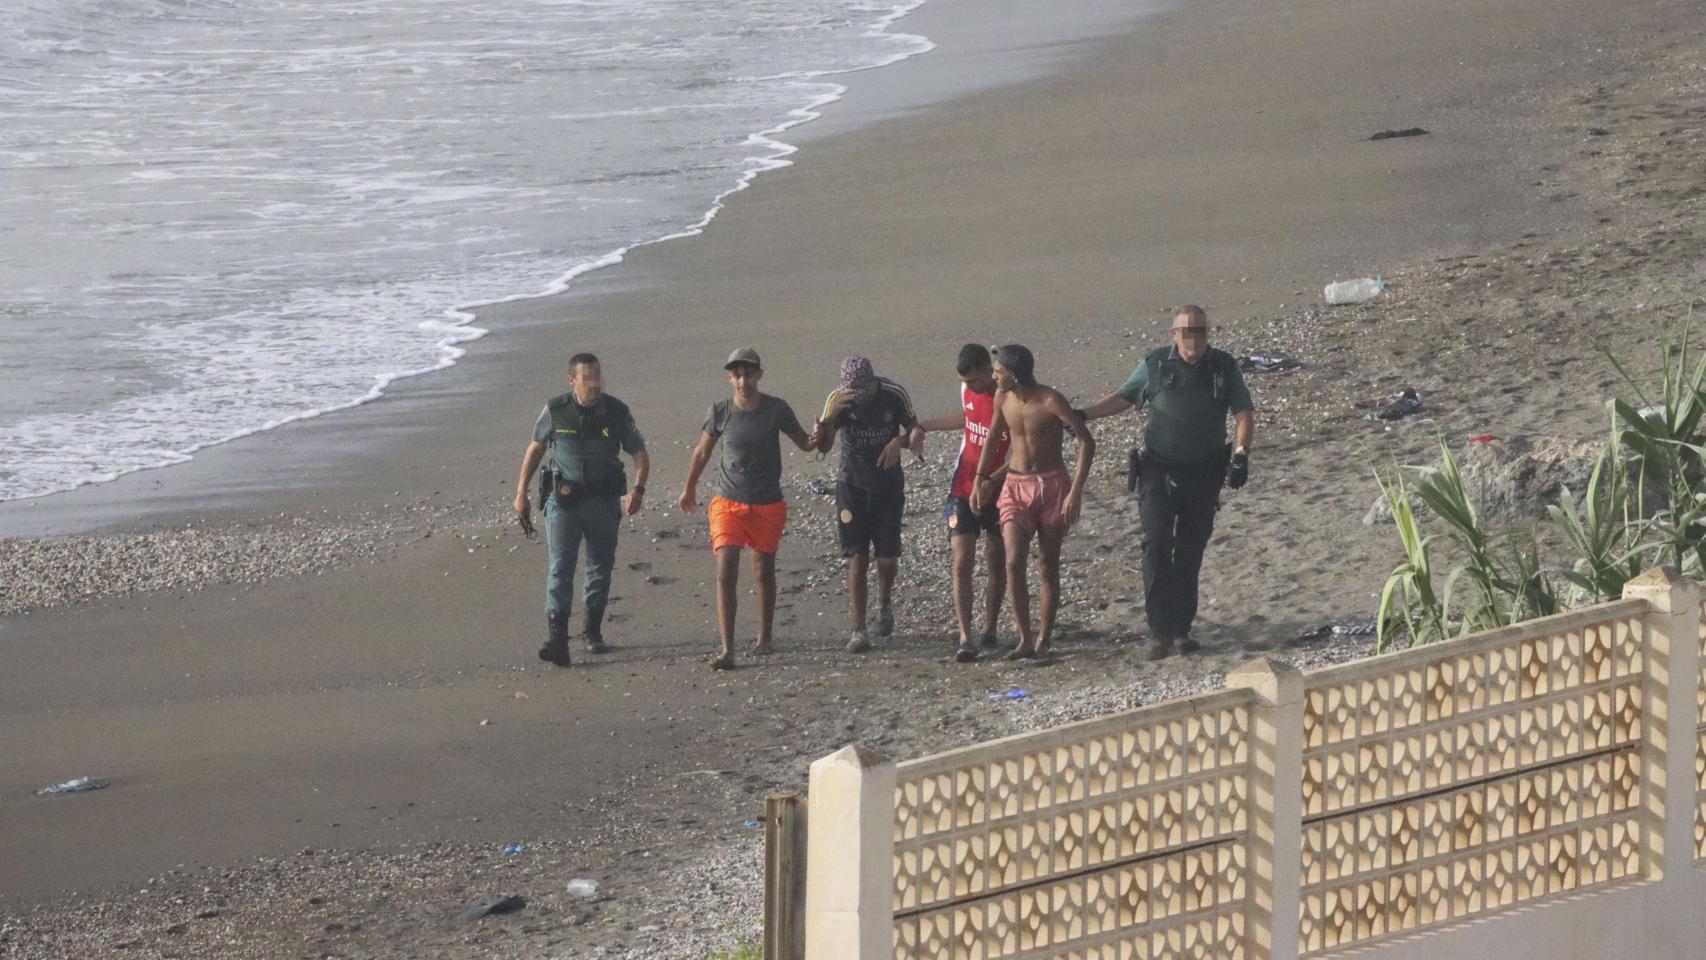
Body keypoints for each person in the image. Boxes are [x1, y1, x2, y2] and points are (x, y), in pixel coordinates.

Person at [1077, 306, 1255, 659]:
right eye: (1186, 332)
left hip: (1204, 474)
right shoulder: (1155, 364)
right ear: (1173, 334)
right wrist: (1081, 415)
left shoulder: (1224, 366)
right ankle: (1159, 630)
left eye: (1200, 331)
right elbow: (1123, 397)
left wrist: (1240, 455)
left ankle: (1181, 630)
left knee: (1189, 551)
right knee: (1157, 543)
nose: (1194, 339)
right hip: (1158, 471)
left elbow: (1244, 413)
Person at [678, 348, 814, 670]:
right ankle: (727, 649)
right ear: (730, 378)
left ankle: (764, 638)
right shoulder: (720, 411)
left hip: (767, 502)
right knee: (726, 570)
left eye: (749, 373)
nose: (743, 380)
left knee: (763, 572)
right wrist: (689, 487)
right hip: (728, 502)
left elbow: (806, 444)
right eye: (737, 375)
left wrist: (823, 433)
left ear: (759, 374)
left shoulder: (776, 409)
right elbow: (701, 452)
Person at [512, 353, 650, 667]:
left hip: (603, 504)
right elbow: (535, 449)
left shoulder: (616, 412)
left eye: (598, 376)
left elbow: (640, 454)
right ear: (572, 380)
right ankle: (557, 639)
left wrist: (638, 489)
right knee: (560, 568)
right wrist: (521, 493)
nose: (594, 383)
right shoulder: (556, 411)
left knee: (600, 567)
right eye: (587, 377)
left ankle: (592, 631)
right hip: (564, 504)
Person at [970, 345, 1094, 660]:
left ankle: (1044, 639)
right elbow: (993, 437)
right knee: (1012, 562)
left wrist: (1075, 490)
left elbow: (1085, 441)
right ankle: (1024, 638)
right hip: (1014, 485)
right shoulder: (1002, 398)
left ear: (1014, 374)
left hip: (1052, 485)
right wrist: (981, 480)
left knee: (1047, 565)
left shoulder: (1050, 400)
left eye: (998, 370)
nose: (994, 375)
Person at [909, 344, 1009, 662]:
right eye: (966, 382)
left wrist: (992, 479)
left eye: (976, 381)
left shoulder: (1008, 398)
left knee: (996, 559)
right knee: (961, 560)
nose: (971, 387)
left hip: (1000, 490)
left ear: (988, 370)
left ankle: (990, 629)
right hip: (962, 488)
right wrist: (924, 425)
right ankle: (966, 636)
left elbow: (1022, 448)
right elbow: (965, 418)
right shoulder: (966, 389)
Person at [812, 357, 917, 654]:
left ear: (874, 382)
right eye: (854, 392)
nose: (860, 396)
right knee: (856, 557)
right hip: (851, 485)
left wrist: (899, 441)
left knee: (886, 557)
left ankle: (884, 604)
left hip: (888, 484)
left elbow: (915, 429)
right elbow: (824, 446)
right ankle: (858, 629)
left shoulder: (893, 394)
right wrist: (829, 420)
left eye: (865, 390)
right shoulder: (838, 400)